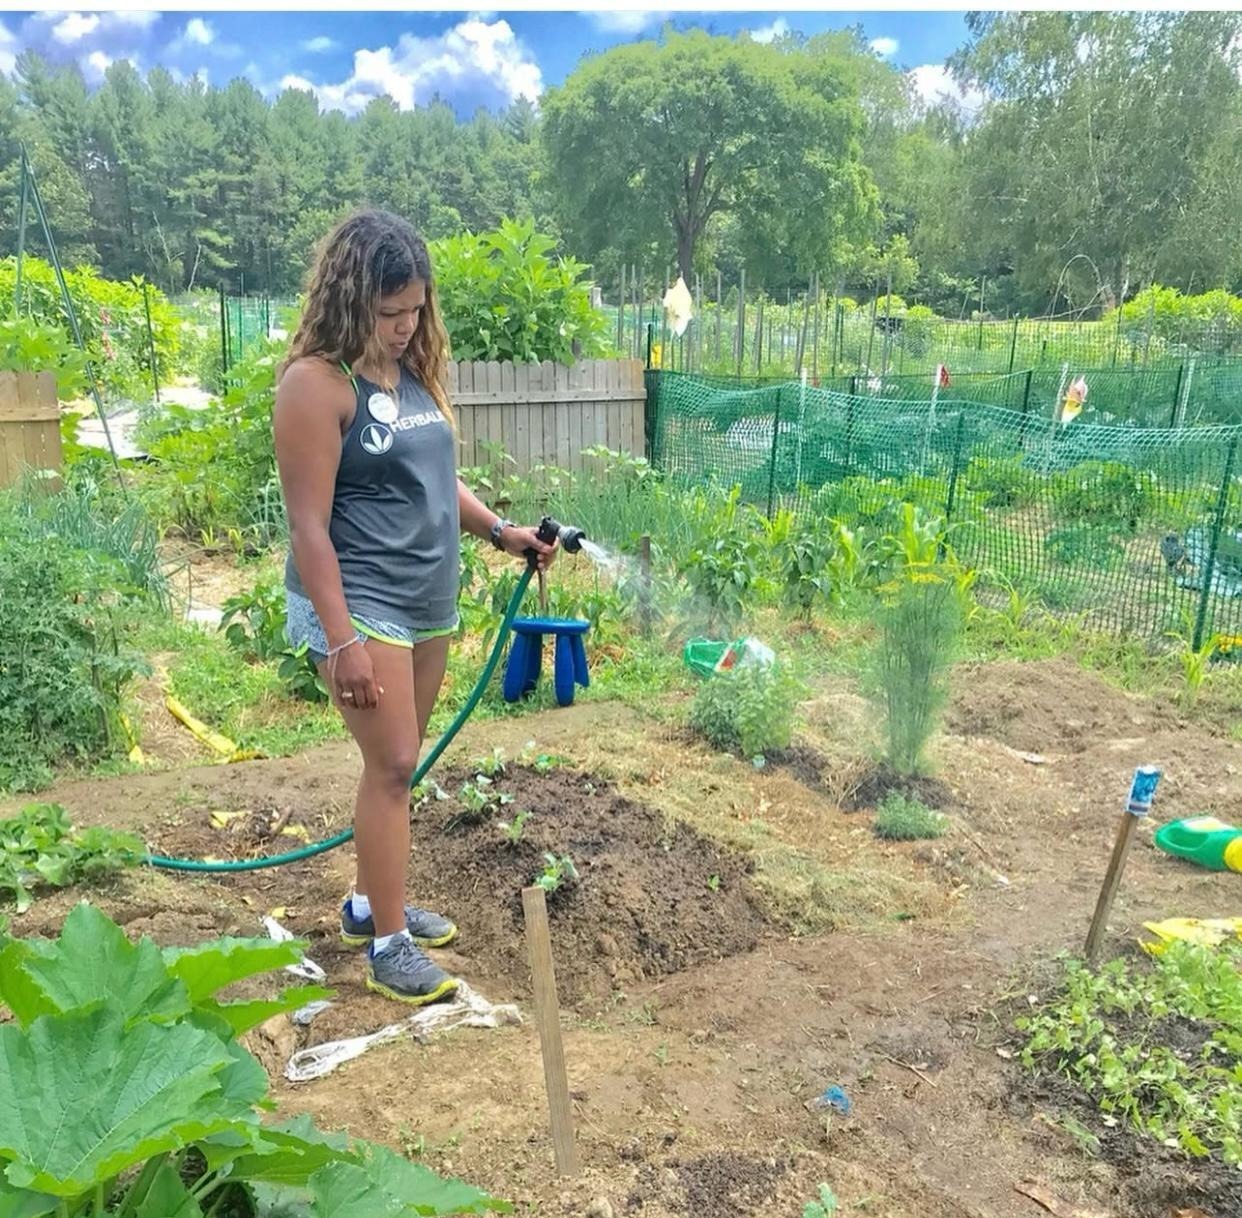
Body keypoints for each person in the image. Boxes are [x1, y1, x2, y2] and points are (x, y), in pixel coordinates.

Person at [274, 209, 555, 1006]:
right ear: (349, 299)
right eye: (388, 312)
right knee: (396, 764)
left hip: (425, 596)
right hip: (359, 600)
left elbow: (436, 478)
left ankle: (370, 906)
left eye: (414, 310)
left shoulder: (411, 372)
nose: (404, 327)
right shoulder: (315, 385)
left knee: (394, 763)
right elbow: (308, 526)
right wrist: (341, 641)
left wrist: (500, 530)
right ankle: (389, 946)